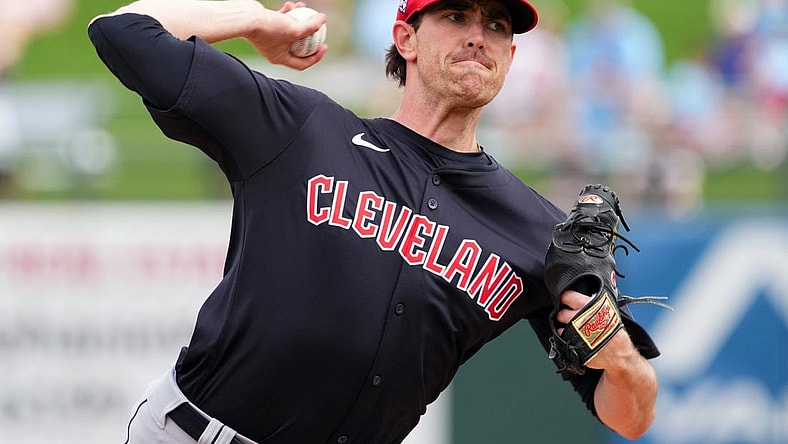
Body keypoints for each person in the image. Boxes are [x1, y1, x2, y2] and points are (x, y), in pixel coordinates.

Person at [87, 1, 660, 443]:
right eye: (456, 14)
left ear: (510, 59)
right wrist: (258, 23)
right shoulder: (302, 130)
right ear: (404, 38)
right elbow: (122, 31)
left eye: (497, 26)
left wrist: (618, 356)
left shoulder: (539, 232)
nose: (477, 36)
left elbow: (631, 417)